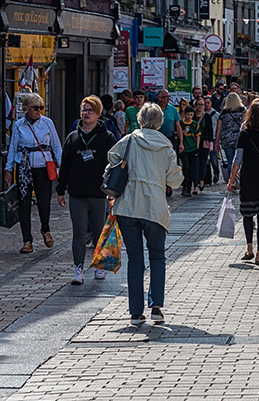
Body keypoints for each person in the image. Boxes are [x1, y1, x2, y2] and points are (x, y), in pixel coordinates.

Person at [109, 103, 183, 325]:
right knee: (158, 256)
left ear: (139, 120)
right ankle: (156, 307)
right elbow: (175, 180)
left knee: (135, 259)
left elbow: (111, 159)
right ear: (160, 122)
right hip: (155, 208)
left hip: (128, 207)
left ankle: (135, 312)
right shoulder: (165, 145)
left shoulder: (129, 140)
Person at [56, 96, 117, 284]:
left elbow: (114, 165)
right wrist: (60, 189)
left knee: (99, 230)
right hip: (77, 192)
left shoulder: (107, 137)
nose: (86, 113)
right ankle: (78, 269)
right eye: (84, 110)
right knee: (79, 231)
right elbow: (65, 165)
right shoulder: (73, 137)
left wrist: (113, 191)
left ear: (98, 114)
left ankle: (99, 266)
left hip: (99, 193)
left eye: (90, 110)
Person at [4, 94, 63, 254]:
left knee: (44, 203)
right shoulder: (18, 125)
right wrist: (8, 169)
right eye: (35, 108)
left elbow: (56, 146)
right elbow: (13, 148)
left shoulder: (47, 123)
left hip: (43, 167)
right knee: (24, 204)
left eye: (41, 108)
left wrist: (61, 167)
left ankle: (45, 229)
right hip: (24, 168)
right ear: (27, 109)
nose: (39, 111)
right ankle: (27, 240)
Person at [226, 101, 259, 266]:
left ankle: (249, 248)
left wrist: (231, 179)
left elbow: (237, 159)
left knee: (248, 215)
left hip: (248, 180)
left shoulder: (245, 134)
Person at [216, 92, 246, 181]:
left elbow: (219, 128)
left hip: (227, 139)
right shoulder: (243, 110)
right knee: (240, 161)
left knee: (230, 161)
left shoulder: (223, 112)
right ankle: (240, 179)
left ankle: (232, 181)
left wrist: (216, 141)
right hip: (240, 139)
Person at [178, 105, 201, 197]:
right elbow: (177, 133)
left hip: (193, 148)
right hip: (184, 148)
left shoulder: (195, 124)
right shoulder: (181, 123)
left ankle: (189, 187)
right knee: (185, 167)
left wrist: (197, 146)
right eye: (188, 114)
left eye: (191, 114)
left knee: (192, 169)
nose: (189, 116)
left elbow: (197, 135)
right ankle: (184, 186)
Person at [193, 98, 213, 191]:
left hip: (204, 142)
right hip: (193, 143)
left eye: (202, 104)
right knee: (195, 164)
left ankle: (202, 179)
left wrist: (211, 143)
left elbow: (210, 130)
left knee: (203, 163)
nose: (200, 106)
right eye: (198, 104)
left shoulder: (207, 116)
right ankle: (196, 184)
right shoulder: (192, 116)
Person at [156, 90, 184, 156]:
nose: (168, 99)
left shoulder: (173, 109)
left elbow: (178, 127)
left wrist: (181, 142)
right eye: (165, 97)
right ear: (160, 98)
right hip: (157, 139)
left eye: (169, 97)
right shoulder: (154, 109)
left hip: (170, 138)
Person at [203, 96, 221, 185]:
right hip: (205, 139)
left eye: (208, 103)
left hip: (213, 139)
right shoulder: (201, 114)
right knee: (206, 159)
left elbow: (219, 127)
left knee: (214, 159)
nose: (206, 105)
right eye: (205, 103)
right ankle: (206, 177)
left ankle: (216, 172)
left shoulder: (216, 114)